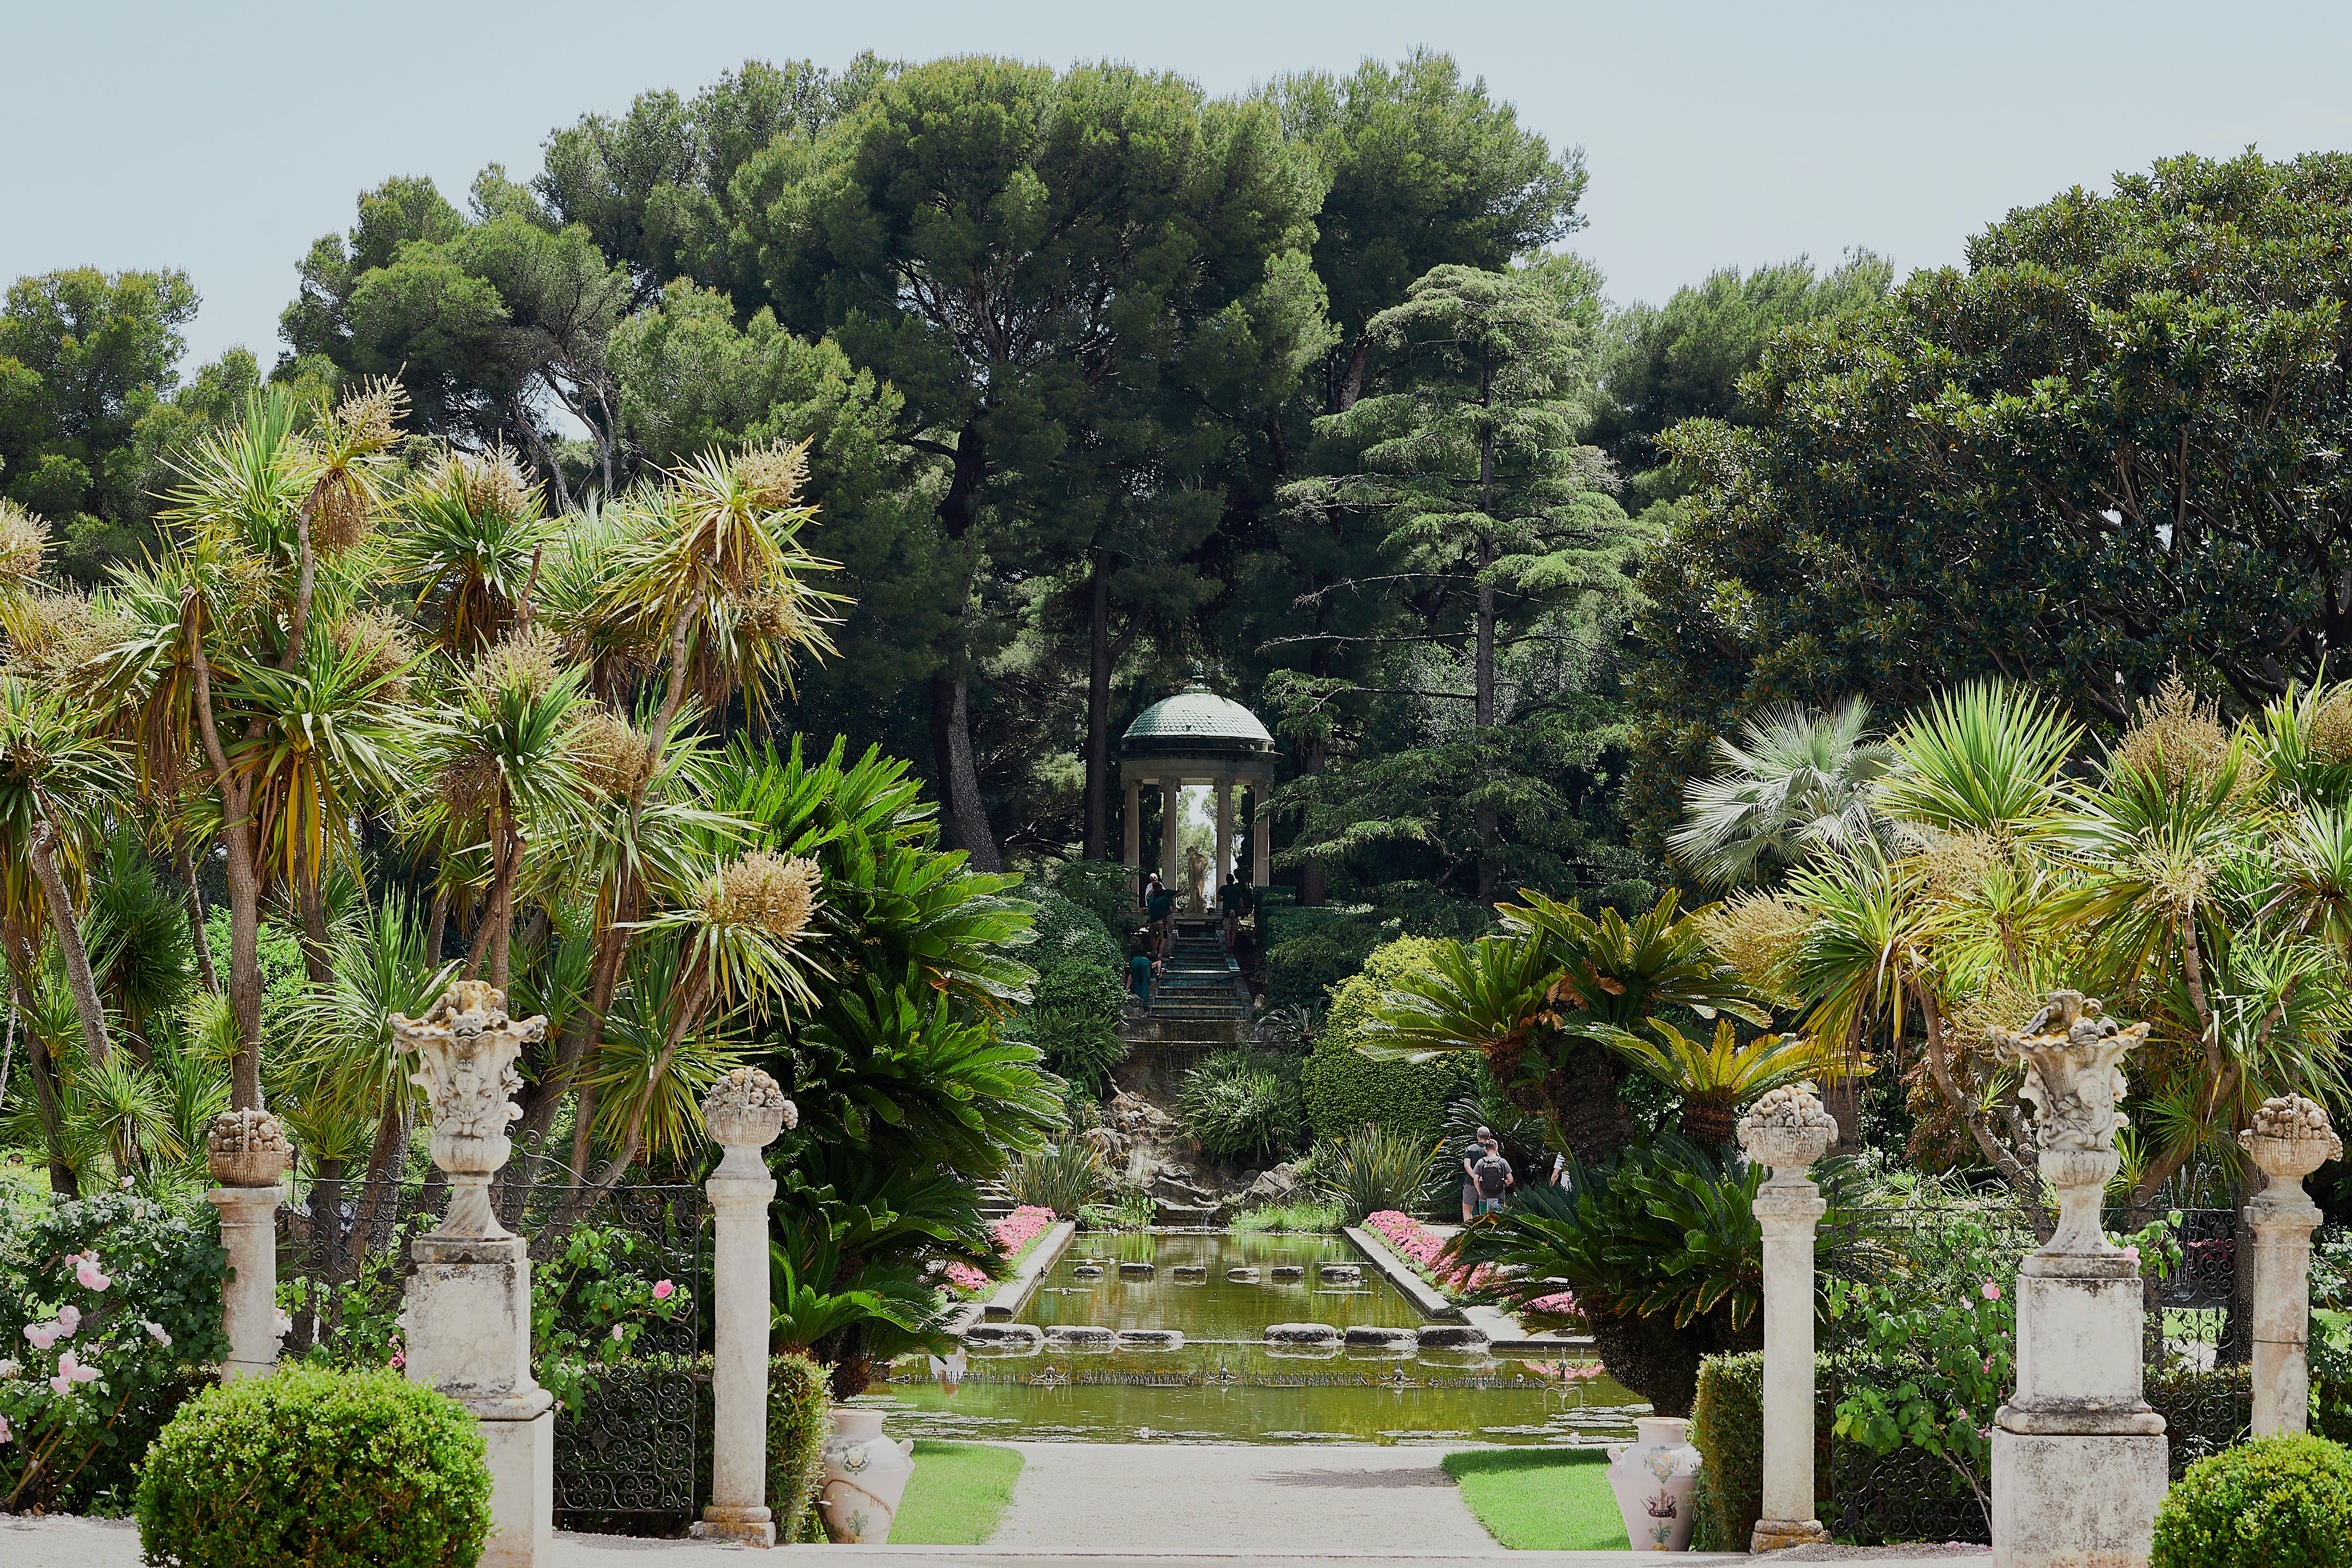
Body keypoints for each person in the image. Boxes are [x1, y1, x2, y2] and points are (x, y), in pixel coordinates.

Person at [1460, 1126, 1498, 1223]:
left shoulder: (1470, 1149)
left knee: (1467, 1210)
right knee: (1489, 1212)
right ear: (1489, 1137)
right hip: (1489, 1186)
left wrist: (1476, 1177)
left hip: (1471, 1184)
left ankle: (1470, 1233)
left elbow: (1467, 1166)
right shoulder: (1492, 1150)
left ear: (1478, 1136)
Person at [1471, 1149, 1515, 1217]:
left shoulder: (1481, 1162)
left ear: (1486, 1150)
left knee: (1484, 1222)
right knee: (1498, 1221)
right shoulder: (1502, 1161)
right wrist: (1506, 1182)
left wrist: (1480, 1193)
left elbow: (1475, 1180)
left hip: (1484, 1198)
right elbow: (1511, 1179)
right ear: (1497, 1150)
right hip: (1499, 1197)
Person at [1218, 866, 1254, 948]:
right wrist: (1243, 910)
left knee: (1227, 929)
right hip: (1236, 910)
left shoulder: (1223, 888)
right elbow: (1241, 901)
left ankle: (1228, 945)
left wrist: (1224, 900)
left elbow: (1219, 898)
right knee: (1234, 929)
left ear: (1227, 880)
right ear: (1233, 880)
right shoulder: (1237, 889)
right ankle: (1233, 945)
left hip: (1227, 910)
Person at [1128, 937, 1156, 1012]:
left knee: (1137, 982)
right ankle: (1144, 1005)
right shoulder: (1145, 954)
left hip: (1134, 962)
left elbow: (1131, 976)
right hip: (1145, 962)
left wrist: (1126, 989)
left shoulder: (1133, 952)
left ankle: (1138, 1002)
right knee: (1145, 984)